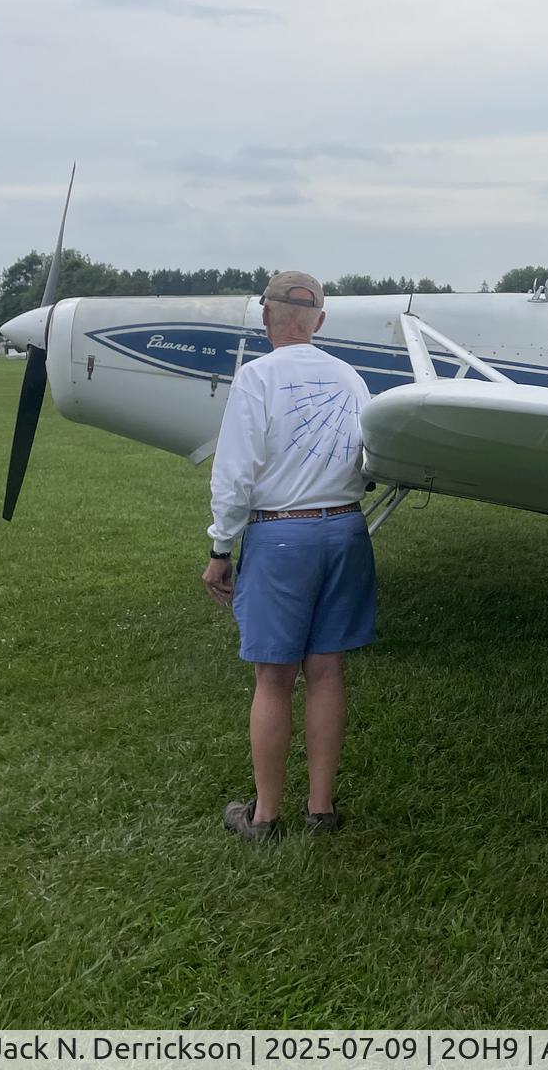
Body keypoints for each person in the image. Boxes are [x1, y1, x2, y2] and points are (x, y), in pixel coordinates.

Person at [202, 271, 376, 842]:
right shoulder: (351, 377)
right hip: (347, 529)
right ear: (318, 321)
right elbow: (370, 457)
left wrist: (220, 546)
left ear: (266, 315)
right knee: (326, 672)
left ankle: (265, 816)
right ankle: (320, 809)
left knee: (274, 678)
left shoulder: (256, 378)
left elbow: (235, 473)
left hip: (281, 535)